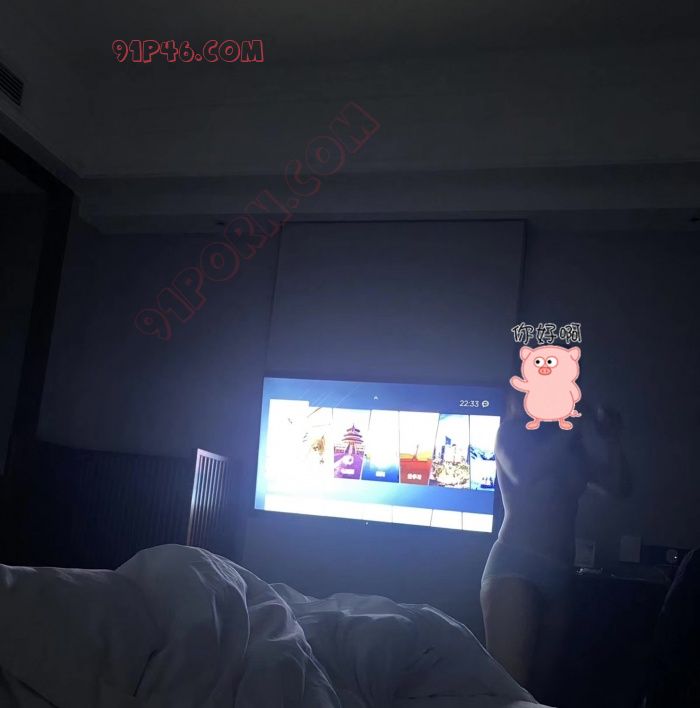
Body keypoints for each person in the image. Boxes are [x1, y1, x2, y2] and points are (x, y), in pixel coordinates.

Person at [480, 397, 631, 703]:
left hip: (561, 575)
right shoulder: (511, 433)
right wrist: (572, 425)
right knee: (512, 691)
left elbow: (619, 488)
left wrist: (611, 439)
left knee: (543, 692)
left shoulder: (572, 448)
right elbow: (524, 474)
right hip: (515, 568)